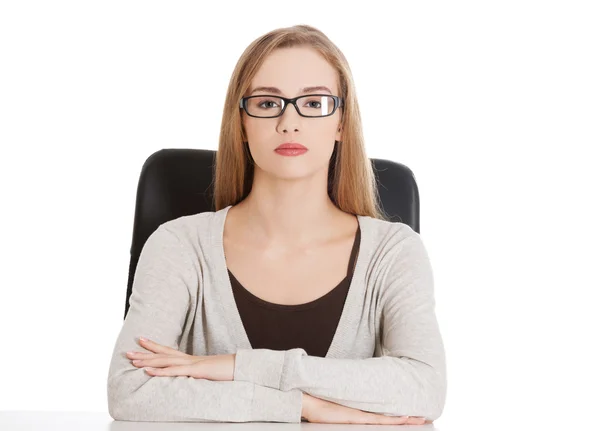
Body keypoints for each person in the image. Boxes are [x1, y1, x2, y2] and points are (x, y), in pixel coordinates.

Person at [107, 24, 445, 425]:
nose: (289, 122)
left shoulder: (393, 253)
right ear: (242, 122)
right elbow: (130, 391)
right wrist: (304, 408)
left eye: (314, 103)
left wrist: (238, 366)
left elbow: (423, 388)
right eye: (267, 104)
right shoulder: (179, 246)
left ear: (341, 122)